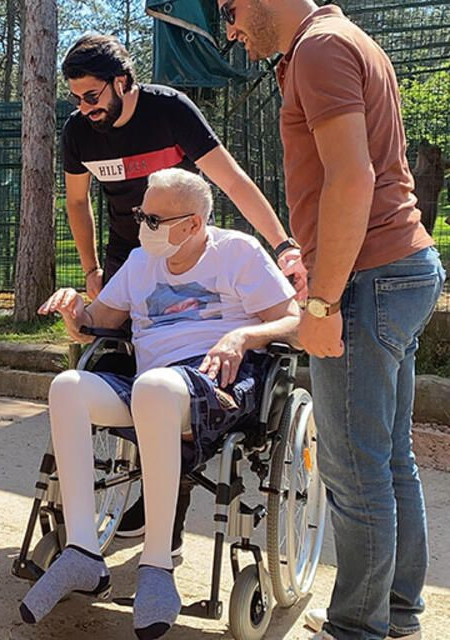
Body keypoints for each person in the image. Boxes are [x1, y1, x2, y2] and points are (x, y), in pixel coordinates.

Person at [220, 2, 446, 639]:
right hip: (401, 267)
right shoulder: (342, 41)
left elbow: (352, 179)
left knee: (354, 469)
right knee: (388, 457)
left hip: (367, 279)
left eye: (229, 11)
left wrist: (321, 303)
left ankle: (357, 629)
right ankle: (397, 612)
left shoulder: (319, 50)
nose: (231, 31)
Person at [21, 168, 299, 639]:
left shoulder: (237, 252)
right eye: (141, 214)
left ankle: (156, 566)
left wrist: (243, 334)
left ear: (193, 224)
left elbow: (293, 322)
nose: (142, 225)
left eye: (154, 218)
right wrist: (74, 312)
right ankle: (84, 552)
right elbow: (95, 324)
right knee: (68, 385)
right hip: (152, 381)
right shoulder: (138, 262)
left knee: (153, 388)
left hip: (218, 382)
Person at [60, 33, 307, 545]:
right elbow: (77, 204)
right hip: (130, 258)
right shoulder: (79, 133)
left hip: (187, 240)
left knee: (174, 380)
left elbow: (233, 181)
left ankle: (163, 514)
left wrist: (282, 245)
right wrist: (90, 275)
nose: (83, 108)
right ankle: (138, 499)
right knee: (123, 363)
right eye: (74, 98)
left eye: (91, 96)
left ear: (121, 82)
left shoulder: (170, 111)